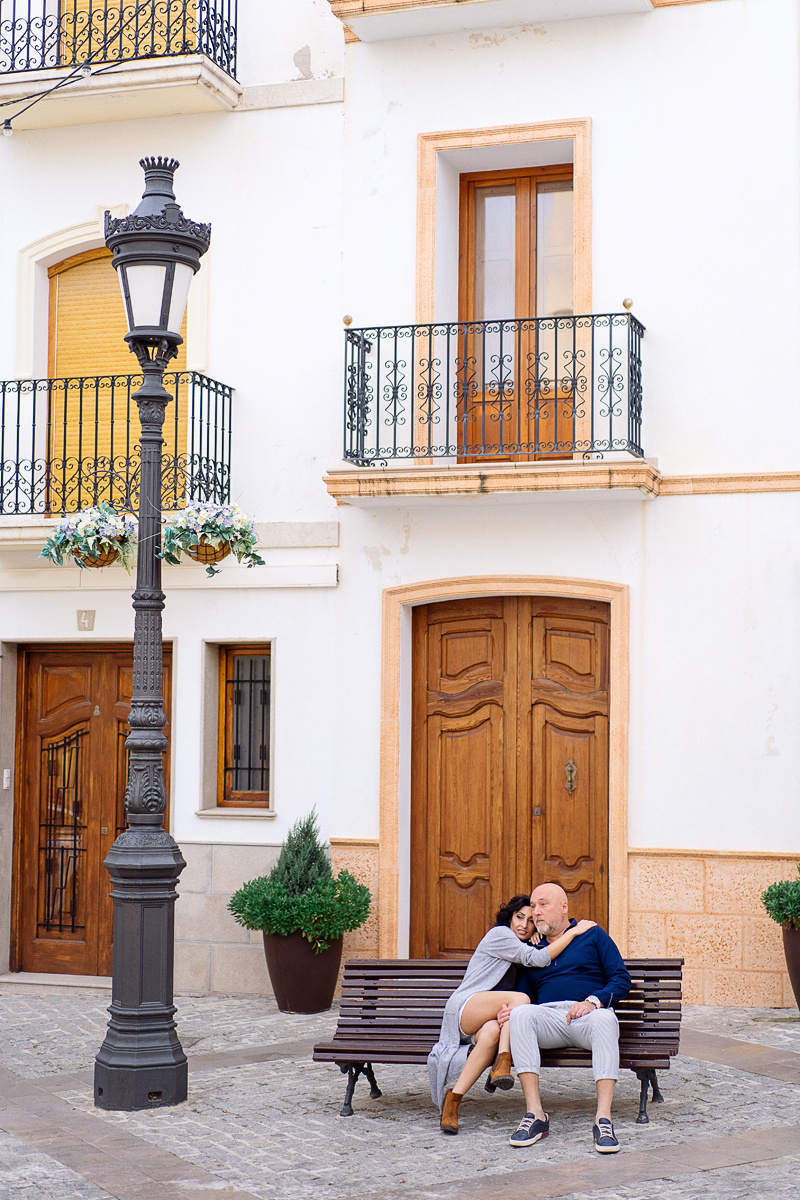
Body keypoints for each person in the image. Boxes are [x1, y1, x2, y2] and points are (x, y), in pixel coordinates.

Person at [428, 894, 596, 1134]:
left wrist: (537, 939)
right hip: (466, 1007)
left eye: (531, 921)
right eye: (519, 917)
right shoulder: (500, 935)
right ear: (509, 918)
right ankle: (503, 1062)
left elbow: (530, 957)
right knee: (521, 1000)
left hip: (490, 1018)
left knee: (491, 1034)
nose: (523, 925)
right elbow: (538, 959)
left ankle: (453, 1100)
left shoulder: (524, 945)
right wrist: (573, 932)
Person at [501, 883, 632, 1154]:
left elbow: (621, 978)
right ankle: (535, 1115)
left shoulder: (592, 934)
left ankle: (603, 1119)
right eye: (533, 906)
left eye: (543, 904)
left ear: (564, 907)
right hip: (549, 1018)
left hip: (587, 1017)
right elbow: (523, 995)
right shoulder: (533, 949)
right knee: (522, 1014)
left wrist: (592, 1002)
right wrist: (510, 1008)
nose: (536, 912)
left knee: (606, 1020)